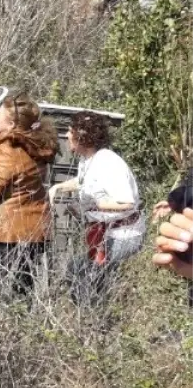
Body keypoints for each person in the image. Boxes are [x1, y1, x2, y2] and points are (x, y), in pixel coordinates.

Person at [0, 93, 58, 295]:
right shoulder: (32, 145)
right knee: (21, 293)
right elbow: (18, 175)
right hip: (29, 231)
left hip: (5, 234)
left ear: (11, 124)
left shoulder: (8, 150)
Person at [49, 111, 144, 297]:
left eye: (70, 131)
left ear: (82, 136)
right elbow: (83, 181)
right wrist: (58, 187)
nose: (67, 135)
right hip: (102, 234)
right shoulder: (88, 160)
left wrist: (93, 207)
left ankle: (95, 320)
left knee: (89, 280)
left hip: (122, 235)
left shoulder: (108, 162)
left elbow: (127, 203)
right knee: (77, 271)